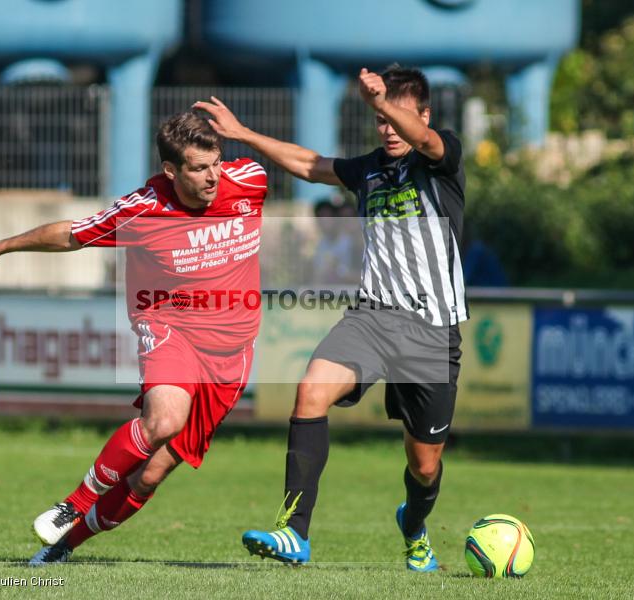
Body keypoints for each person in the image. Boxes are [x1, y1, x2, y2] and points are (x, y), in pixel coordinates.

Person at [0, 111, 268, 565]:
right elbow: (70, 234)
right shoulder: (143, 209)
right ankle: (73, 504)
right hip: (170, 326)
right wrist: (0, 247)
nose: (213, 176)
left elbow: (309, 168)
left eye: (216, 162)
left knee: (150, 476)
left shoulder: (250, 180)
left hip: (232, 352)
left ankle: (63, 547)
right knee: (164, 421)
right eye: (199, 168)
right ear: (171, 171)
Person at [194, 64, 467, 572]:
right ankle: (295, 533)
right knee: (310, 391)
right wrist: (242, 133)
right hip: (372, 317)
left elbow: (425, 140)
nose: (386, 127)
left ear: (422, 114)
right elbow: (309, 164)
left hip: (431, 330)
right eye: (380, 119)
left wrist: (381, 101)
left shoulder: (440, 159)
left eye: (396, 116)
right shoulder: (369, 170)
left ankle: (413, 524)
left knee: (424, 466)